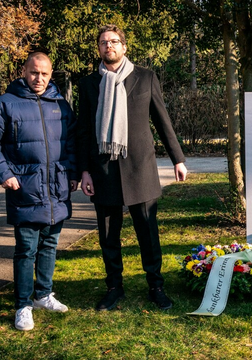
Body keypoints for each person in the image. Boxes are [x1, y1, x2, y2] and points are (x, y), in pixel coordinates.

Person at [77, 24, 187, 311]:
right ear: (99, 48)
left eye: (114, 41)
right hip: (104, 170)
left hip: (141, 168)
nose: (108, 46)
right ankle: (114, 287)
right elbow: (85, 131)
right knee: (108, 236)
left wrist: (178, 159)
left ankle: (156, 287)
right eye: (103, 42)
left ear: (124, 47)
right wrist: (84, 170)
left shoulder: (146, 77)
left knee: (148, 234)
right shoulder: (88, 84)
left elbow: (163, 121)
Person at [0, 52, 77, 331]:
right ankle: (23, 305)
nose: (39, 78)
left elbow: (71, 143)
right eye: (34, 72)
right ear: (23, 71)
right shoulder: (6, 103)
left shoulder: (61, 105)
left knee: (49, 245)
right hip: (25, 188)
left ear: (51, 73)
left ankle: (43, 295)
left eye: (44, 73)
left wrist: (72, 172)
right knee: (26, 249)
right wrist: (5, 174)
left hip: (56, 187)